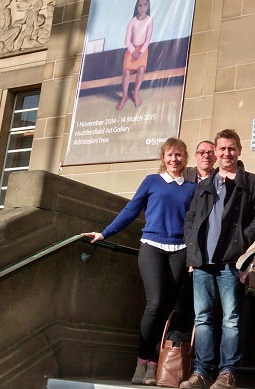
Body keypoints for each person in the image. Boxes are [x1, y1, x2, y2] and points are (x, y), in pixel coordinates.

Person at [82, 138, 196, 385]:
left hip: (180, 250)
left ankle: (154, 364)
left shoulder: (191, 188)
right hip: (152, 247)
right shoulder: (151, 182)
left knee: (168, 308)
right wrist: (105, 233)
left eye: (179, 155)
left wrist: (195, 256)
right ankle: (141, 359)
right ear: (163, 158)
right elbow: (131, 210)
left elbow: (196, 224)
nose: (174, 159)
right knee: (155, 303)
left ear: (185, 158)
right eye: (170, 155)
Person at [180, 129, 255, 389]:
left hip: (233, 262)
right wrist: (192, 247)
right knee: (203, 318)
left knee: (231, 319)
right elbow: (191, 218)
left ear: (240, 150)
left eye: (231, 148)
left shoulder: (252, 182)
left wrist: (242, 241)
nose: (226, 153)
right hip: (202, 262)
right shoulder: (206, 184)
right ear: (216, 152)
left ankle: (227, 373)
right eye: (222, 149)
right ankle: (202, 372)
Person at [118, 0, 153, 111]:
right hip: (131, 49)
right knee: (126, 72)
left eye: (144, 5)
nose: (142, 8)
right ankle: (124, 95)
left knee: (141, 70)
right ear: (136, 7)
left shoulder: (149, 20)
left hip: (142, 50)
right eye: (139, 5)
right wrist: (133, 52)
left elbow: (148, 39)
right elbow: (127, 40)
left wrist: (141, 52)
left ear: (148, 6)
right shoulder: (132, 21)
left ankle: (135, 93)